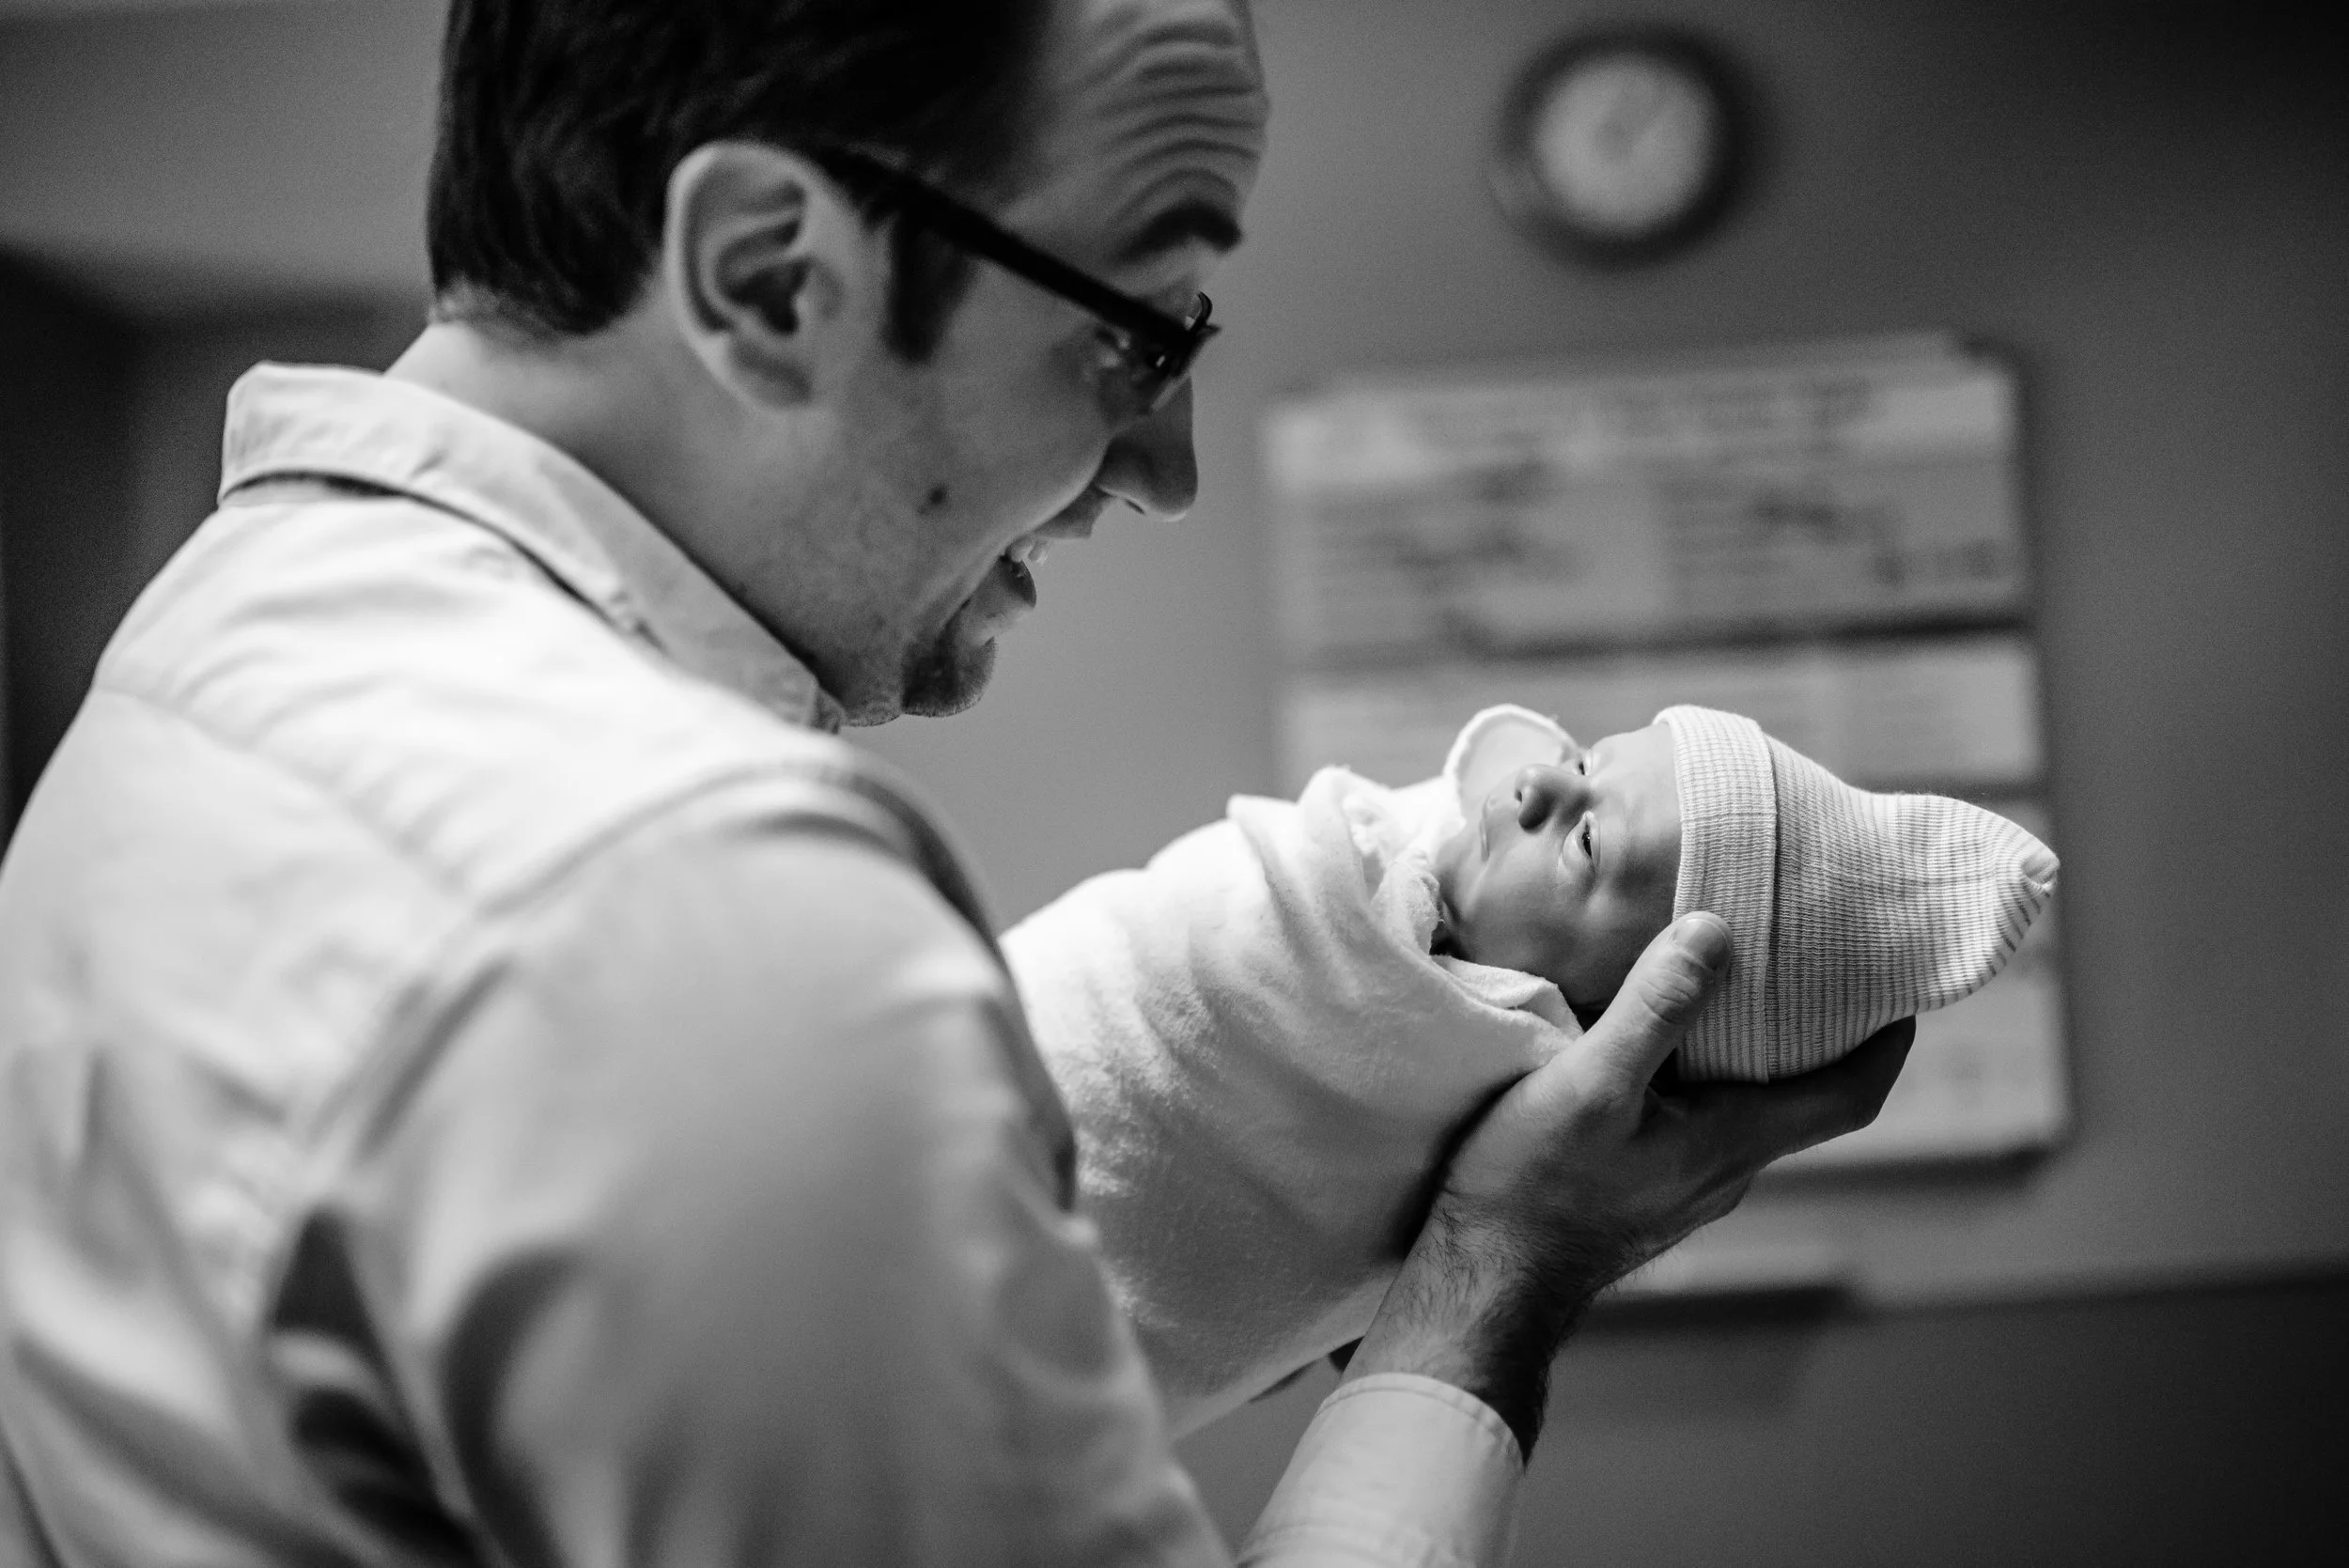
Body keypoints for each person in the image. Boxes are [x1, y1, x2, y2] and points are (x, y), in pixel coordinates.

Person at [0, 2, 1912, 1562]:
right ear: (768, 273)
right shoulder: (695, 913)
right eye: (1134, 328)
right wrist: (1486, 1284)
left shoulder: (197, 661)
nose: (1161, 462)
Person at [1006, 702, 2054, 1413]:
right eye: (1587, 763)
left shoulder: (1465, 1035)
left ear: (1605, 1024)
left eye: (1587, 845)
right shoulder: (1376, 865)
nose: (1535, 784)